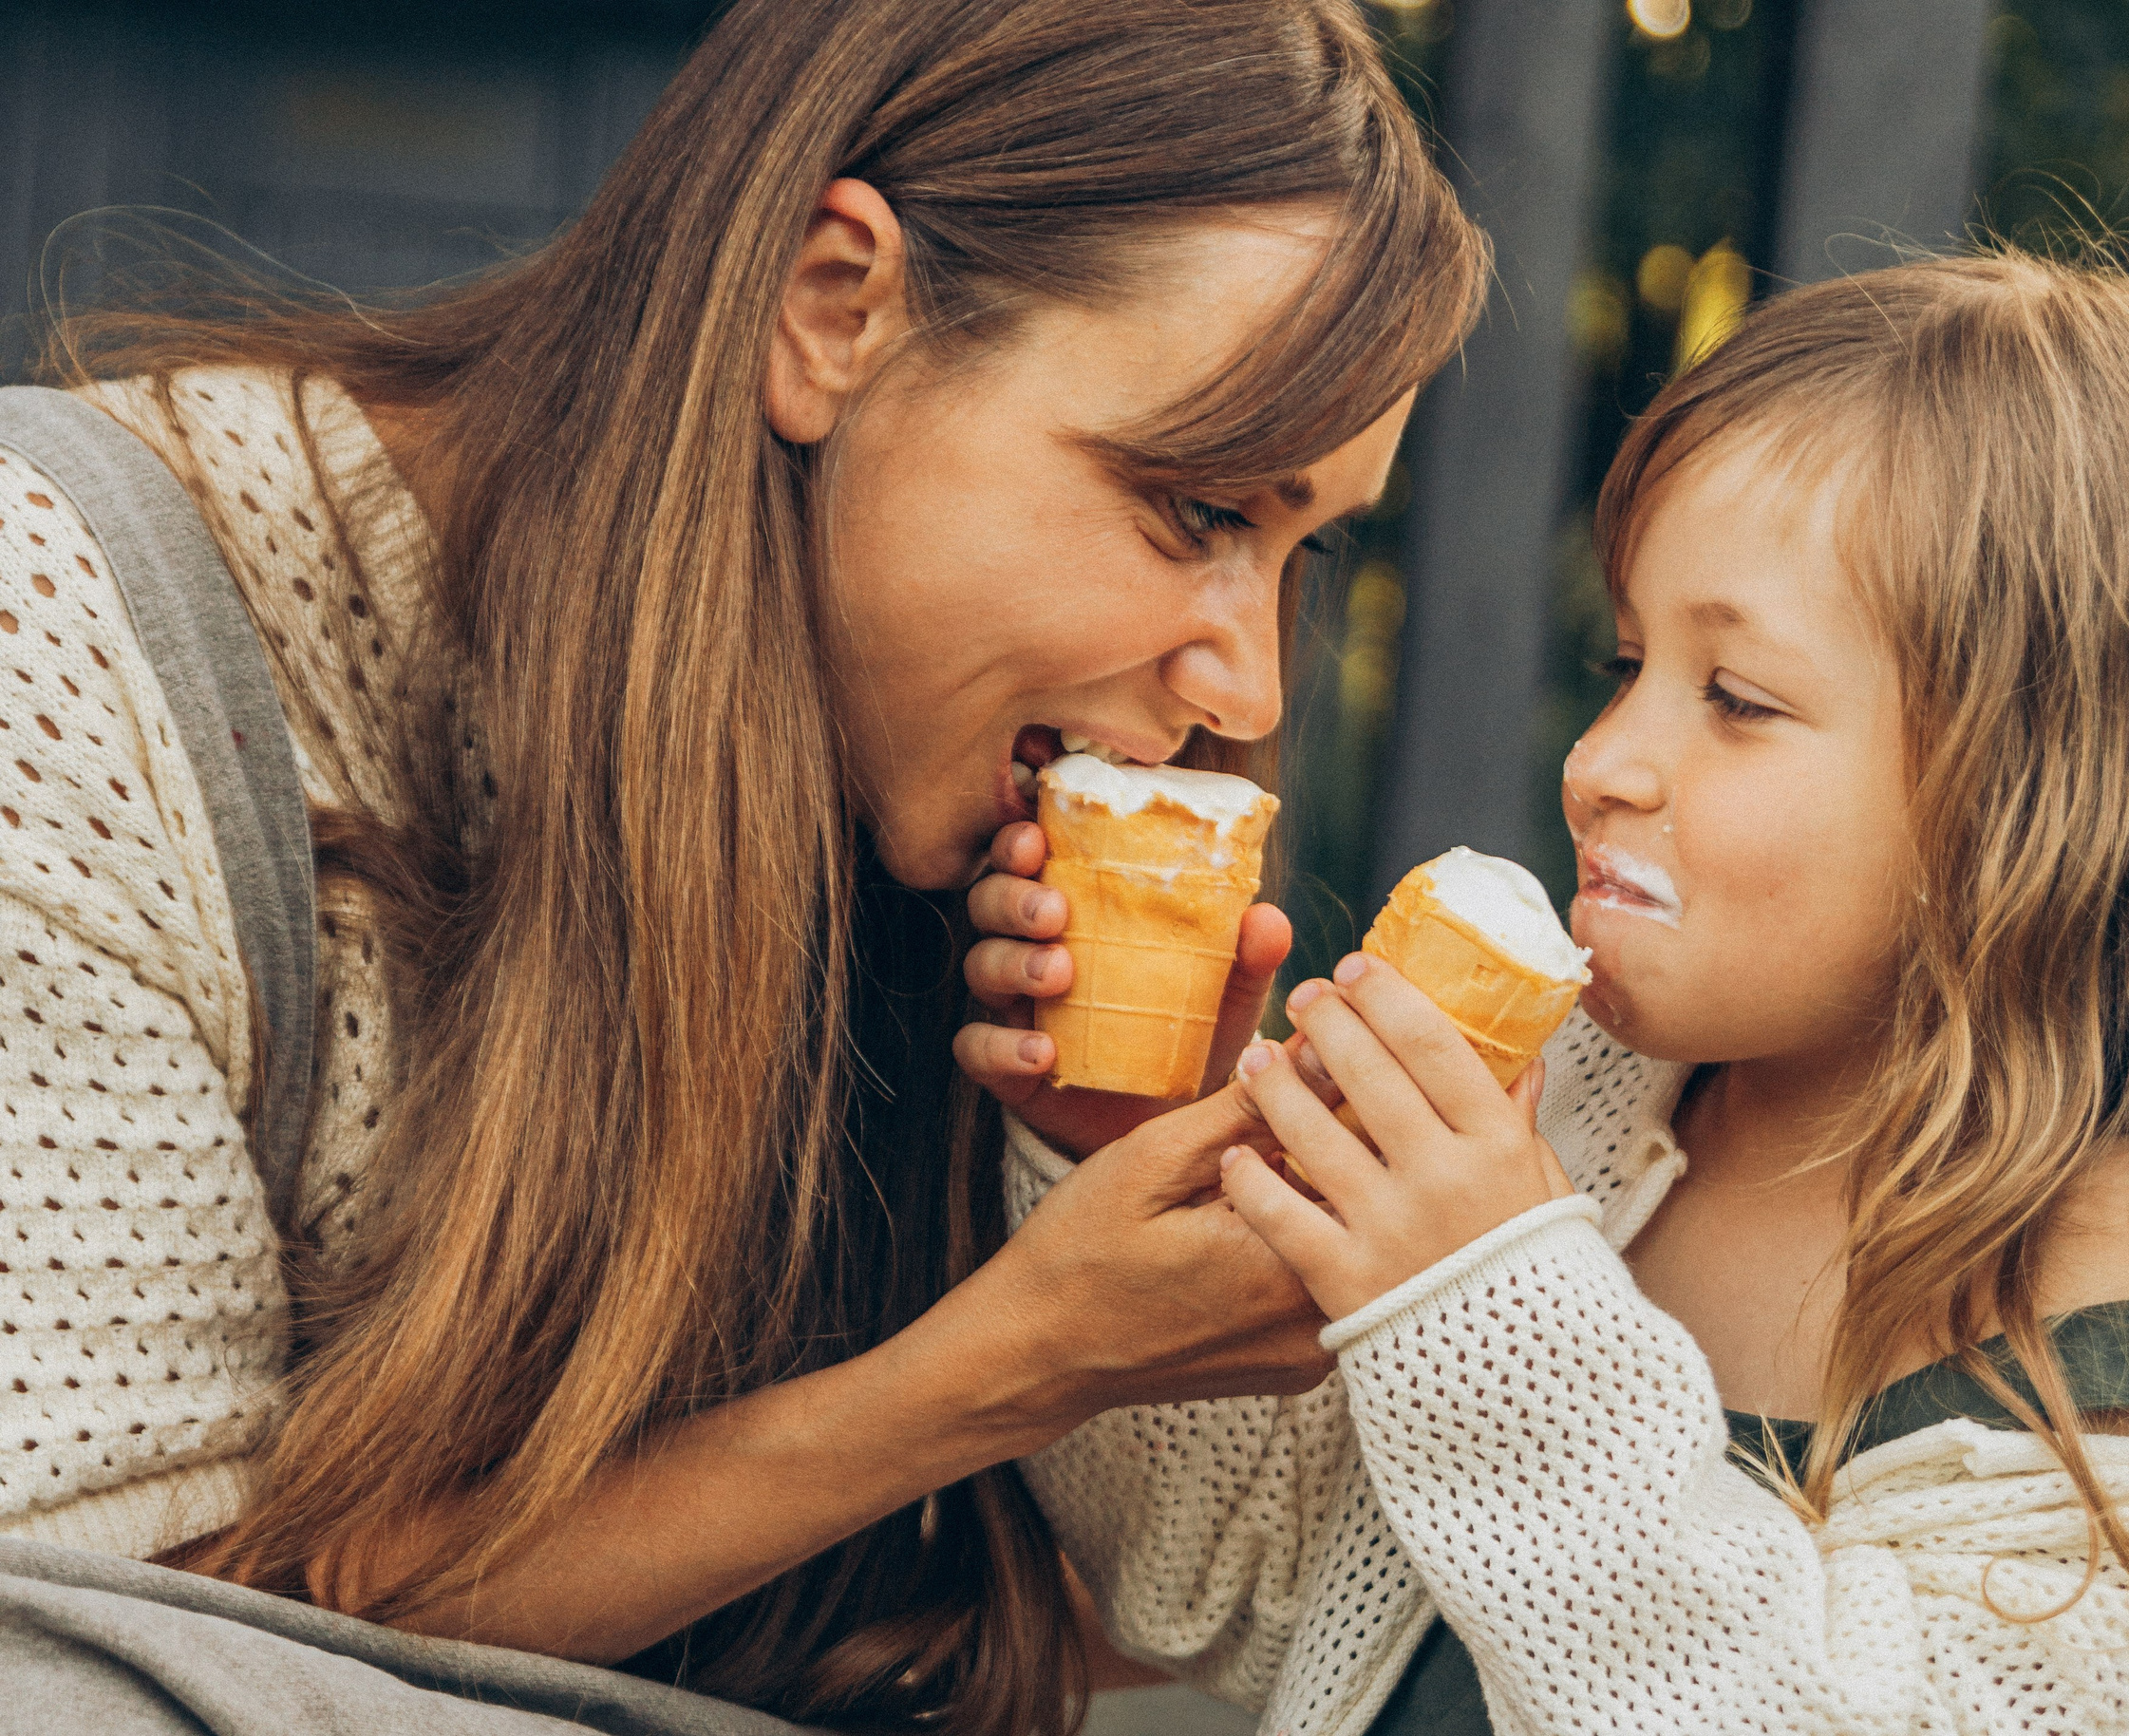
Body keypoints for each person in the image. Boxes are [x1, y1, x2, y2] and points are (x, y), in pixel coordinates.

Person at [0, 2, 1490, 1730]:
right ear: (834, 310)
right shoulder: (64, 638)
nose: (1251, 681)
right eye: (1199, 509)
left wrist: (1094, 1185)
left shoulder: (919, 820)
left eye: (1305, 551)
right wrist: (1003, 1364)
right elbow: (90, 1656)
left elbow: (1186, 1621)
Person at [963, 253, 2129, 1734]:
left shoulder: (2115, 1339)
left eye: (1737, 700)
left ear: (2057, 808)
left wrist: (1496, 1319)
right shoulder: (1597, 1102)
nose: (1602, 762)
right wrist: (1116, 1138)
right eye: (1629, 660)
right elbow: (1235, 1582)